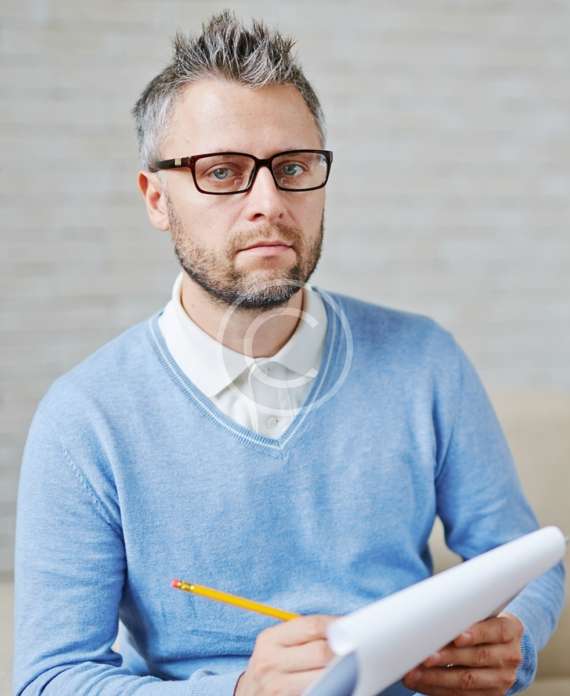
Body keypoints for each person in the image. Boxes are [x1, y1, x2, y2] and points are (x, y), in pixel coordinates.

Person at [13, 9, 565, 696]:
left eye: (294, 167)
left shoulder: (426, 361)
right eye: (222, 172)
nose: (268, 203)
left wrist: (513, 635)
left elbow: (527, 561)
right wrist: (241, 691)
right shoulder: (86, 417)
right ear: (156, 198)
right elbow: (51, 679)